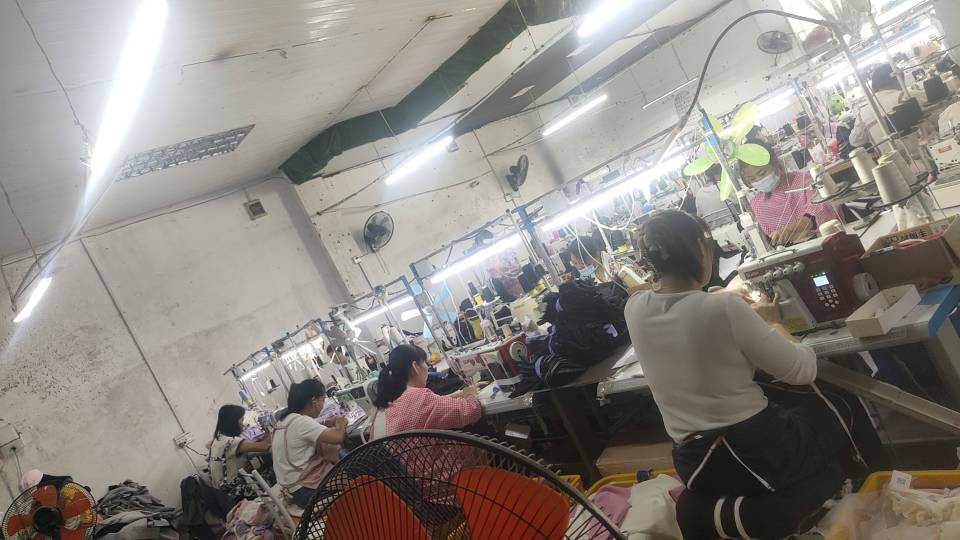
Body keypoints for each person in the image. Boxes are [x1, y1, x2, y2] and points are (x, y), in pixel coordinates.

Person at [624, 210, 852, 538]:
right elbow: (803, 370)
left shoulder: (634, 307)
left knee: (793, 411)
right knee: (837, 409)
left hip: (695, 465)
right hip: (754, 453)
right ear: (700, 248)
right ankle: (856, 489)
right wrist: (773, 322)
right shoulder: (724, 309)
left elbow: (681, 306)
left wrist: (722, 300)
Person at [740, 139, 843, 246]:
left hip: (823, 241)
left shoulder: (803, 181)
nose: (759, 180)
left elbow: (819, 211)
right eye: (752, 179)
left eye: (762, 173)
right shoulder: (757, 204)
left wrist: (790, 229)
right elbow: (766, 238)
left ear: (775, 163)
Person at [370, 344, 482, 438]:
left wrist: (461, 393)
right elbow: (471, 411)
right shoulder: (419, 397)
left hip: (405, 458)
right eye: (425, 363)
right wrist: (471, 394)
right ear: (415, 366)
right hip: (442, 458)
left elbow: (428, 406)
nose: (427, 368)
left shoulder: (382, 405)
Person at [272, 379, 347, 508]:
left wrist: (326, 422)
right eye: (323, 399)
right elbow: (338, 437)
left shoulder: (284, 421)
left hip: (294, 490)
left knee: (341, 456)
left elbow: (309, 427)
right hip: (307, 492)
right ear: (314, 401)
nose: (324, 404)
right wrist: (341, 422)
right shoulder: (301, 422)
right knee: (351, 467)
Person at [208, 405, 272, 501]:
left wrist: (264, 434)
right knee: (274, 468)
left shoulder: (218, 440)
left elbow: (257, 444)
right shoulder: (231, 442)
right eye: (241, 420)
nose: (243, 423)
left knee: (265, 466)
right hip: (238, 491)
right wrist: (269, 426)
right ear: (233, 422)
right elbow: (265, 446)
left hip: (224, 493)